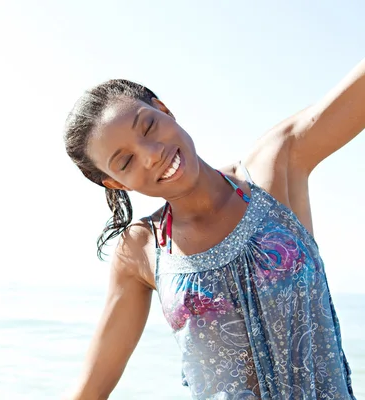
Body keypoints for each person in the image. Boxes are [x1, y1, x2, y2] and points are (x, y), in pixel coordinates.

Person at [62, 59, 365, 399]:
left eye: (148, 127)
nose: (151, 155)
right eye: (126, 161)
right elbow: (90, 389)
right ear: (116, 182)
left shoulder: (273, 169)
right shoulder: (142, 250)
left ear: (164, 110)